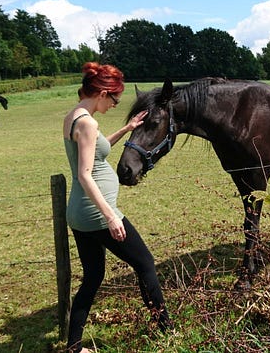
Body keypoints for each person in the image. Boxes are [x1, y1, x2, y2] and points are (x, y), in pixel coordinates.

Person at [63, 62, 170, 352]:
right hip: (96, 213)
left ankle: (74, 346)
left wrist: (127, 128)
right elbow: (86, 174)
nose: (114, 105)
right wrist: (111, 216)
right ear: (103, 92)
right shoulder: (88, 123)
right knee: (145, 263)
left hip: (79, 213)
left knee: (94, 276)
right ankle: (166, 328)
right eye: (115, 99)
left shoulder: (75, 116)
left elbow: (96, 151)